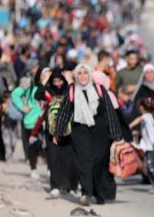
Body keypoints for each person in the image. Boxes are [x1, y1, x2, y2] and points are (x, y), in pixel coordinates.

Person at [53, 64, 123, 206]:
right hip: (80, 130)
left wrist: (116, 134)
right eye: (80, 73)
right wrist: (57, 132)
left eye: (86, 73)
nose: (83, 76)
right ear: (76, 76)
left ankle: (97, 193)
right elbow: (64, 112)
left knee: (98, 163)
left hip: (100, 131)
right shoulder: (71, 91)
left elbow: (110, 112)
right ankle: (86, 193)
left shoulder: (99, 89)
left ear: (90, 75)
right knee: (83, 162)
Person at [35, 68, 78, 198]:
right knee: (53, 158)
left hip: (69, 129)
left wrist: (71, 81)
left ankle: (72, 186)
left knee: (70, 159)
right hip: (51, 129)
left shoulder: (69, 89)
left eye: (60, 81)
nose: (58, 84)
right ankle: (54, 186)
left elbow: (76, 96)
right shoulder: (48, 90)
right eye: (55, 81)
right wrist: (45, 81)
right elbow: (37, 95)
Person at [129, 97, 154, 194]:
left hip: (151, 147)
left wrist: (129, 125)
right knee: (149, 165)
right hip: (150, 146)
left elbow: (138, 120)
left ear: (142, 107)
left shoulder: (146, 116)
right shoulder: (151, 118)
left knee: (151, 165)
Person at [11, 72, 42, 178]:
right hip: (29, 123)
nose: (24, 83)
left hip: (43, 122)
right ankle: (33, 167)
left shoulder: (39, 88)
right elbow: (14, 94)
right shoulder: (24, 88)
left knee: (43, 145)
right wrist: (22, 107)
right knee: (32, 147)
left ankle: (47, 167)